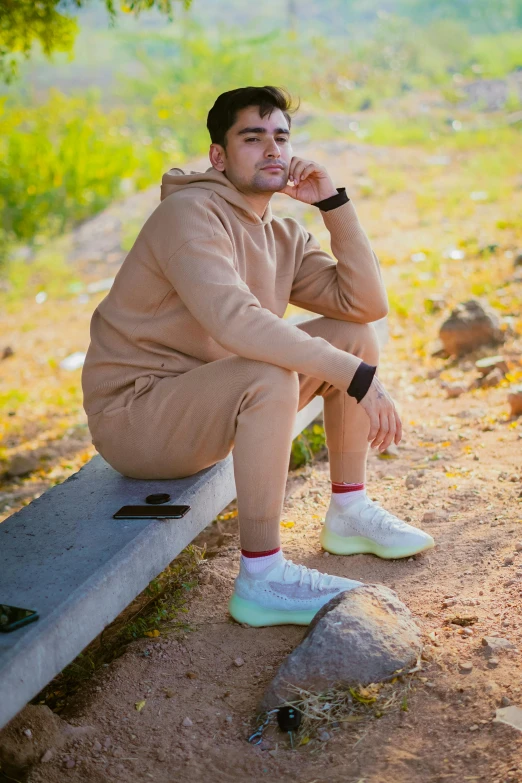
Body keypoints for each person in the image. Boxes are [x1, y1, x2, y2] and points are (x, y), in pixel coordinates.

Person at [82, 85, 434, 628]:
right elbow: (235, 321)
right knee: (269, 373)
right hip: (139, 417)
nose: (272, 149)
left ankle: (348, 511)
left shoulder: (280, 234)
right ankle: (262, 577)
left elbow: (364, 304)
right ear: (218, 156)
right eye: (253, 137)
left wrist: (334, 205)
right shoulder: (188, 215)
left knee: (351, 335)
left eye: (281, 137)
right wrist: (356, 380)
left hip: (209, 398)